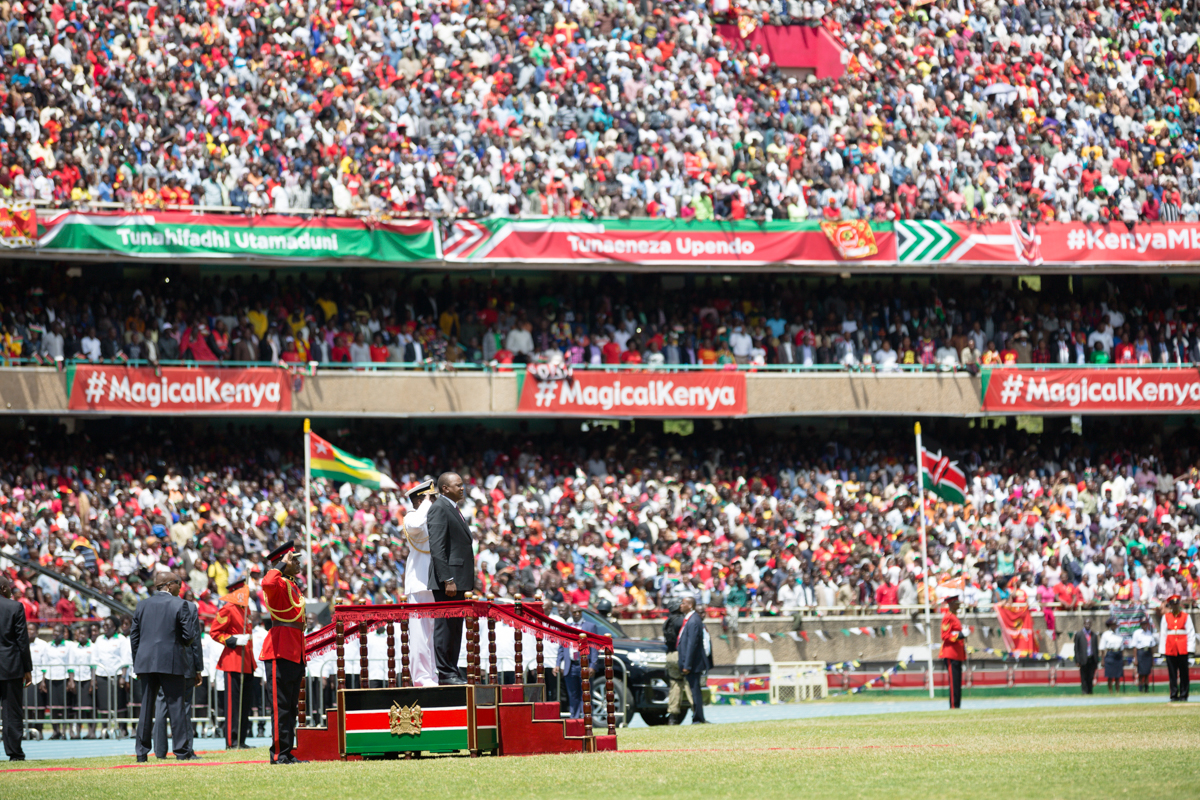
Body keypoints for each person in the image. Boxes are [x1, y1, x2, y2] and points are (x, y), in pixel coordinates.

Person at [130, 572, 201, 762]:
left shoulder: (142, 605)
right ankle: (181, 751)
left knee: (146, 708)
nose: (181, 587)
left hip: (145, 662)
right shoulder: (180, 604)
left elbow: (134, 637)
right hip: (171, 661)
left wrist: (138, 661)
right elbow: (189, 635)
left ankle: (141, 753)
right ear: (169, 585)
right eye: (179, 583)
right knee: (176, 706)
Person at [259, 542, 308, 764]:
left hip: (294, 648)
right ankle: (279, 754)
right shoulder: (277, 584)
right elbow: (267, 580)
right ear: (284, 563)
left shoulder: (291, 584)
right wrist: (281, 563)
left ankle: (287, 751)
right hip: (280, 649)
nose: (298, 563)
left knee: (290, 705)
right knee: (280, 706)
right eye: (294, 560)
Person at [427, 472, 475, 685]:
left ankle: (452, 670)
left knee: (455, 628)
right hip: (448, 581)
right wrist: (447, 578)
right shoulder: (439, 508)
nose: (462, 488)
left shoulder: (452, 508)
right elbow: (437, 547)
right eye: (458, 485)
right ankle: (445, 673)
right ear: (445, 488)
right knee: (446, 627)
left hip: (458, 581)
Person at [209, 578, 256, 749]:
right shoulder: (228, 608)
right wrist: (233, 639)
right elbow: (214, 632)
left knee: (244, 704)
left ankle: (241, 740)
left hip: (247, 661)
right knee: (233, 705)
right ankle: (232, 741)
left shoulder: (246, 609)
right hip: (233, 661)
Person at [402, 479, 438, 686]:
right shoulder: (411, 517)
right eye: (429, 498)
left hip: (435, 582)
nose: (433, 502)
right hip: (418, 582)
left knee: (435, 634)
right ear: (419, 500)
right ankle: (422, 678)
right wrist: (426, 503)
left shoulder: (432, 517)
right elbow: (416, 526)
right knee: (419, 635)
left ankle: (434, 675)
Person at [0, 575, 33, 761]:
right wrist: (27, 669)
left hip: (9, 666)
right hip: (11, 666)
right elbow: (22, 640)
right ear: (4, 589)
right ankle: (14, 753)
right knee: (11, 712)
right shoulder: (14, 607)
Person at [556, 606, 602, 720]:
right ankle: (574, 720)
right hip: (570, 665)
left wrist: (592, 665)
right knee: (572, 695)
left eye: (578, 612)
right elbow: (562, 648)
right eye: (574, 612)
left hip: (584, 665)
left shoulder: (590, 626)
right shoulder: (567, 627)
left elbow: (595, 647)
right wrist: (558, 663)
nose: (576, 614)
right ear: (571, 613)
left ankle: (587, 720)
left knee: (585, 694)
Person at [676, 595, 710, 724]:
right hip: (690, 663)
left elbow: (692, 644)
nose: (681, 605)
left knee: (695, 691)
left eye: (683, 603)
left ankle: (698, 718)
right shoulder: (689, 619)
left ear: (690, 605)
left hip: (693, 664)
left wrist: (687, 664)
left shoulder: (694, 620)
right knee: (694, 690)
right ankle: (698, 717)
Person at [1158, 594, 1195, 702]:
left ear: (1179, 604)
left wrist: (1190, 649)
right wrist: (1162, 650)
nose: (1175, 606)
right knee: (1172, 673)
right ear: (1170, 606)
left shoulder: (1185, 616)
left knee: (1184, 673)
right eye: (1173, 605)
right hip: (1170, 648)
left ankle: (1184, 695)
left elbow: (1191, 633)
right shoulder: (1166, 617)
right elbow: (1163, 634)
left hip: (1182, 648)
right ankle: (1174, 694)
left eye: (1176, 604)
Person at [662, 596, 692, 725]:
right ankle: (697, 713)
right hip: (681, 654)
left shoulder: (667, 621)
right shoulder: (681, 621)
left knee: (675, 685)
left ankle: (672, 716)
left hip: (670, 655)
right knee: (690, 683)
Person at [940, 591, 967, 709]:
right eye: (956, 602)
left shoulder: (955, 617)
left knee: (957, 682)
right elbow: (945, 636)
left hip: (958, 653)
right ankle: (953, 706)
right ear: (951, 604)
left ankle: (957, 705)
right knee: (953, 682)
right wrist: (960, 635)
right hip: (951, 653)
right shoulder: (948, 617)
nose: (959, 604)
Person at [1073, 618, 1101, 695]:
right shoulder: (1079, 634)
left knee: (1091, 676)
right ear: (1084, 624)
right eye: (1086, 623)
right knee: (1084, 676)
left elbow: (1096, 648)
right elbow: (1076, 648)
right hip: (1083, 659)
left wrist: (1096, 660)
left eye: (1089, 623)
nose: (1087, 625)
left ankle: (1090, 691)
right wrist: (1077, 660)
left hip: (1091, 658)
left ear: (1091, 625)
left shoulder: (1094, 635)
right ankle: (1084, 691)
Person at [1131, 618, 1158, 694]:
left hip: (1148, 653)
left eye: (1145, 624)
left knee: (1147, 673)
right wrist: (1135, 658)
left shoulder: (1149, 633)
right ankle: (1140, 689)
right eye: (1142, 624)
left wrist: (1153, 659)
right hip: (1141, 653)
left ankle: (1146, 689)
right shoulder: (1137, 633)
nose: (1144, 625)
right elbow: (1135, 647)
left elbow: (1152, 647)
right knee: (1141, 672)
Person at [1099, 619, 1125, 694]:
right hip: (1110, 654)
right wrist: (1102, 660)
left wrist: (1122, 658)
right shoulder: (1106, 634)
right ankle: (1110, 692)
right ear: (1110, 625)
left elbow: (1122, 648)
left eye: (1115, 625)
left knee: (1118, 676)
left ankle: (1117, 691)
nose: (1114, 626)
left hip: (1118, 654)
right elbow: (1102, 648)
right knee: (1110, 675)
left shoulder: (1119, 634)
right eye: (1113, 624)